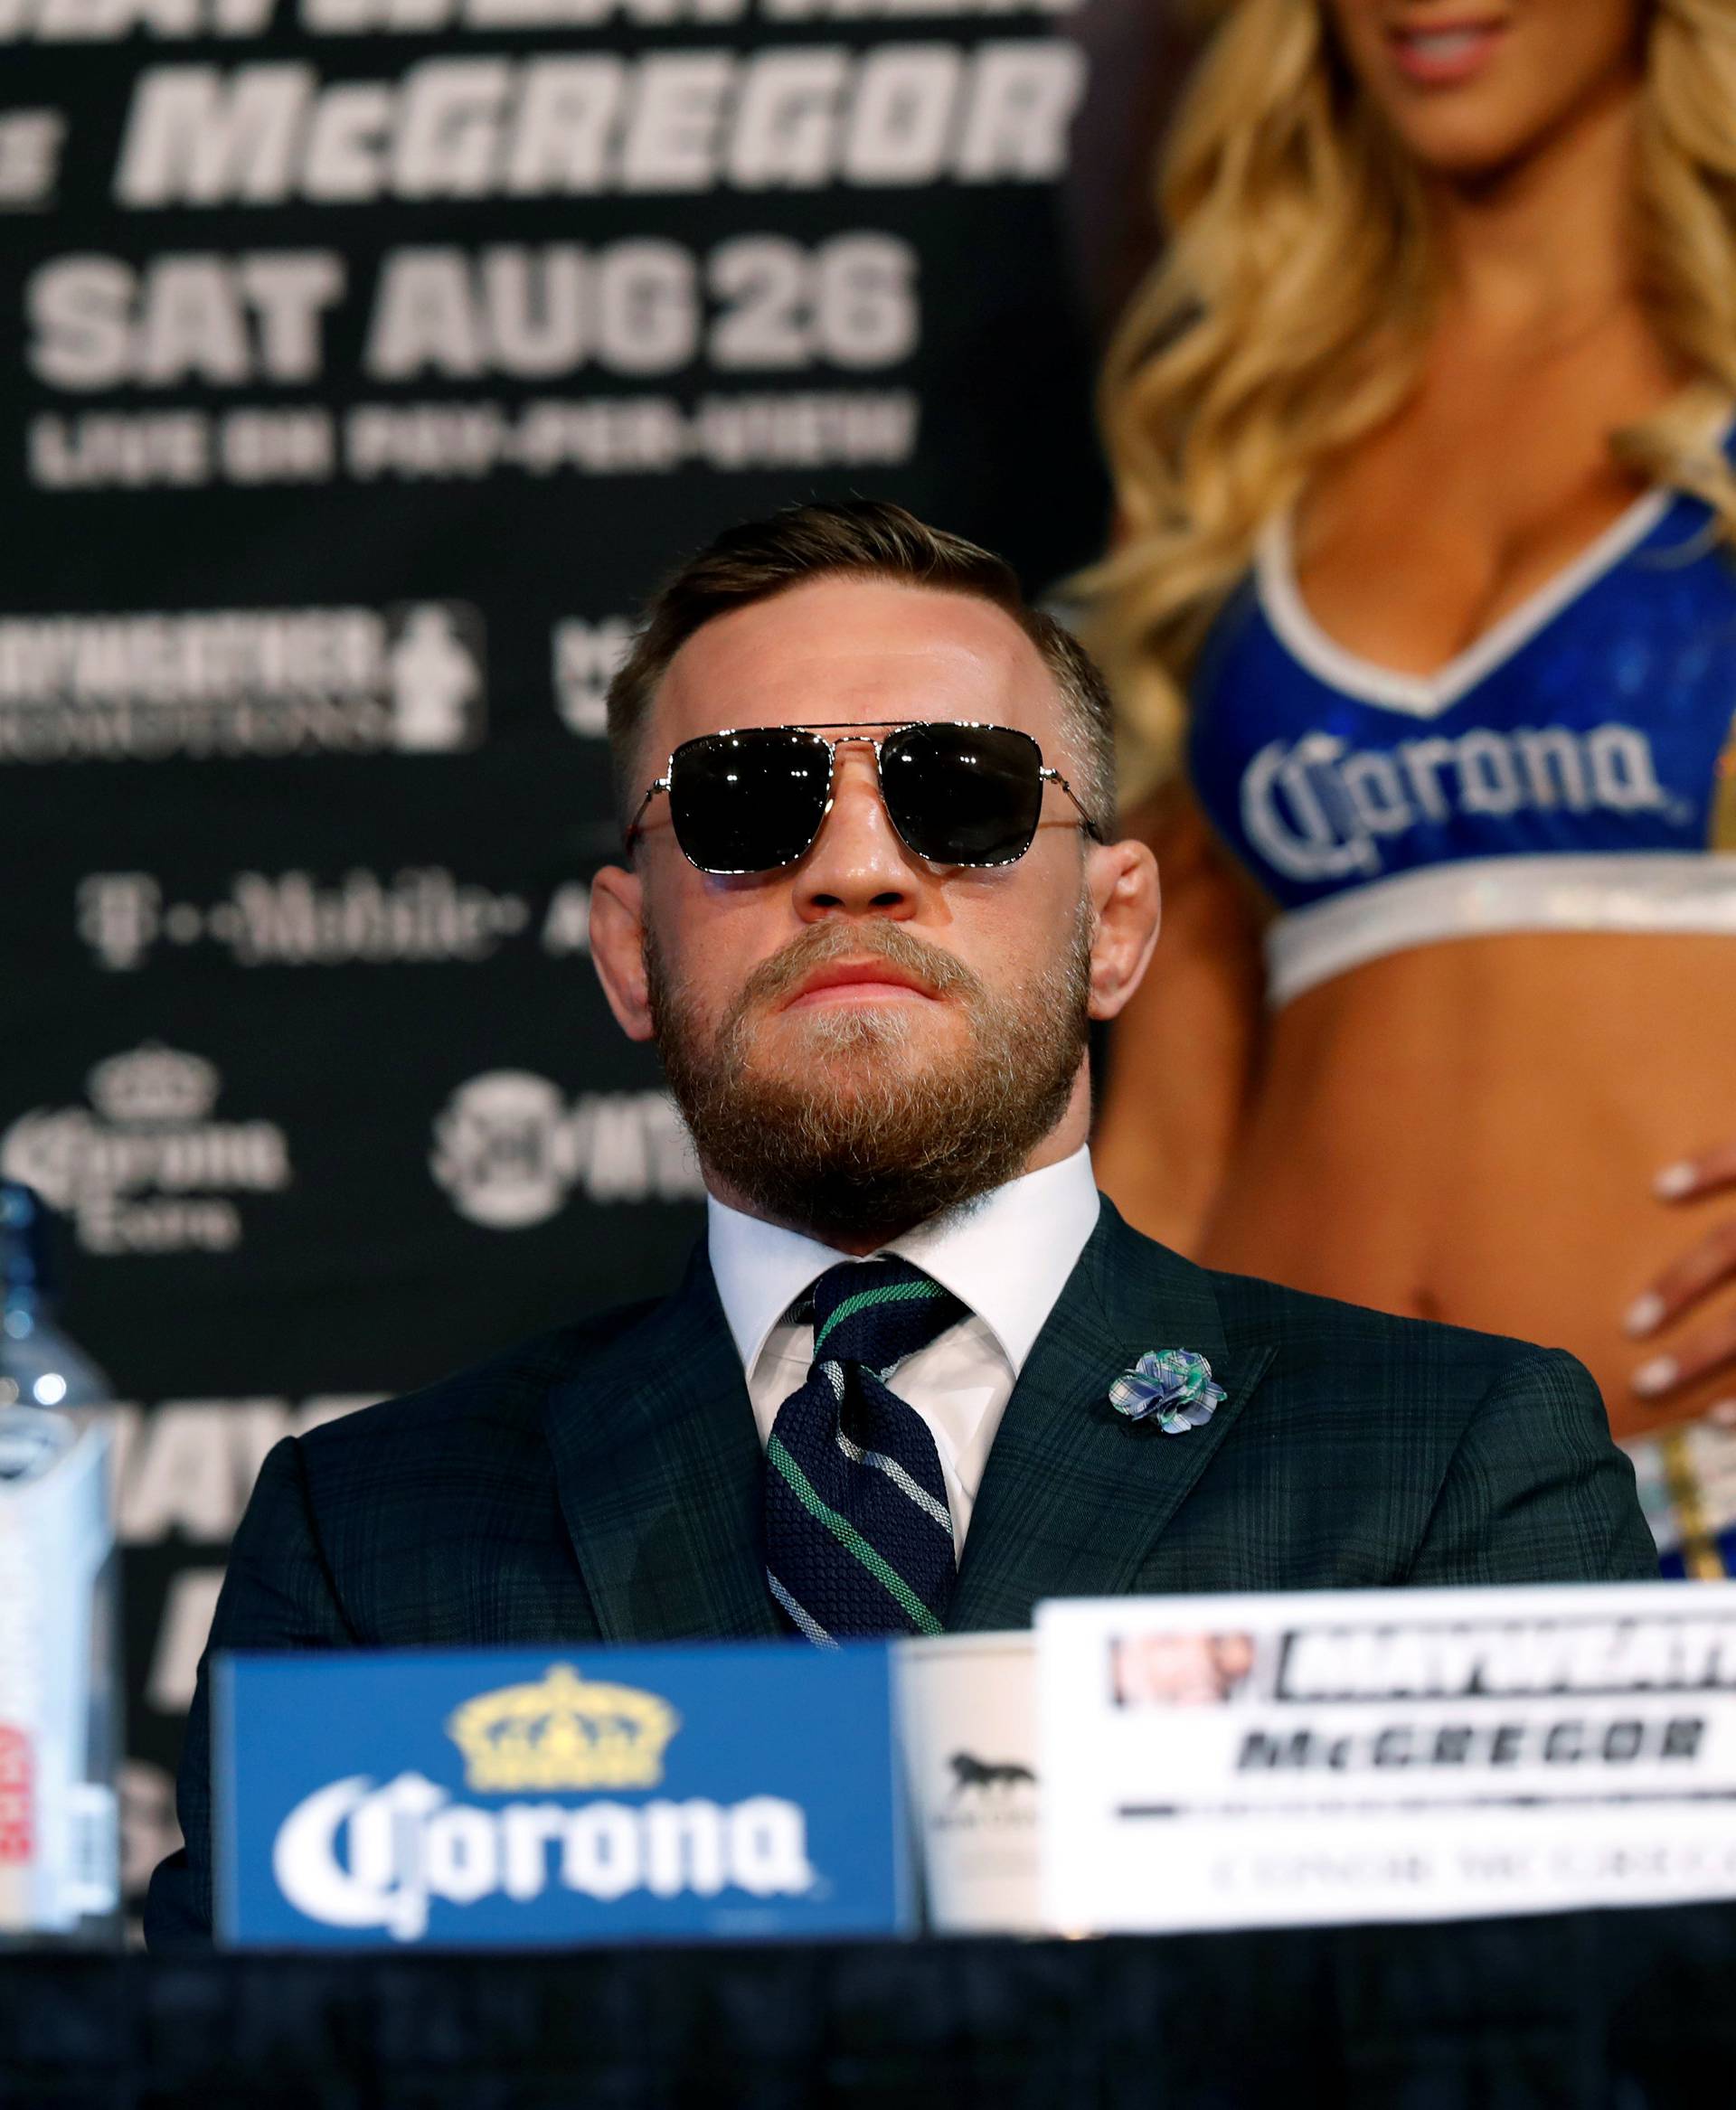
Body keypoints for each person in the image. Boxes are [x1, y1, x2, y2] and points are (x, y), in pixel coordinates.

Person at [144, 500, 1655, 1950]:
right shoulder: (367, 1533)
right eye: (749, 800)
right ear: (627, 951)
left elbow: (1589, 2043)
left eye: (964, 794)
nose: (858, 866)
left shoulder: (1453, 1458)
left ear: (1114, 924)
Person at [1083, 0, 1736, 1577]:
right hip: (1292, 1523)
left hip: (1693, 1481)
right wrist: (1091, 1487)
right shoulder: (1249, 433)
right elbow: (1169, 1133)